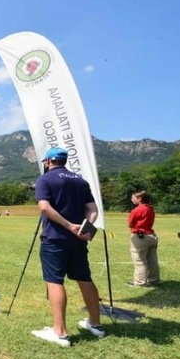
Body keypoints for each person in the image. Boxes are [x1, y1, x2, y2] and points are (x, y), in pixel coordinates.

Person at [32, 147, 105, 347]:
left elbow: (45, 207)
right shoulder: (81, 181)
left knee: (54, 281)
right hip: (78, 241)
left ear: (48, 162)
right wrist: (85, 228)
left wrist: (69, 226)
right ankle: (96, 324)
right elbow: (92, 209)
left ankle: (60, 332)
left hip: (55, 239)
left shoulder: (44, 180)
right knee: (85, 278)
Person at [127, 190, 160, 286]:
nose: (131, 199)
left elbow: (130, 223)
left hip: (140, 237)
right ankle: (154, 280)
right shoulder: (150, 208)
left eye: (133, 197)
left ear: (139, 198)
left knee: (139, 259)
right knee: (152, 260)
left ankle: (139, 282)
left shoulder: (137, 210)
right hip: (151, 236)